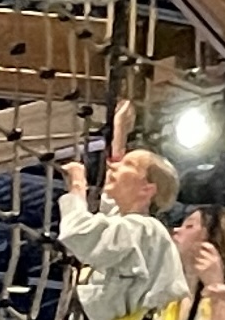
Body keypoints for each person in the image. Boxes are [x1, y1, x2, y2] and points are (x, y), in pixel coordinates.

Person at [58, 124, 188, 320]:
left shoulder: (145, 230)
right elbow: (111, 213)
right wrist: (120, 130)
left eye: (129, 165)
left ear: (147, 189)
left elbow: (79, 233)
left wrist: (78, 185)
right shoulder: (133, 229)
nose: (112, 166)